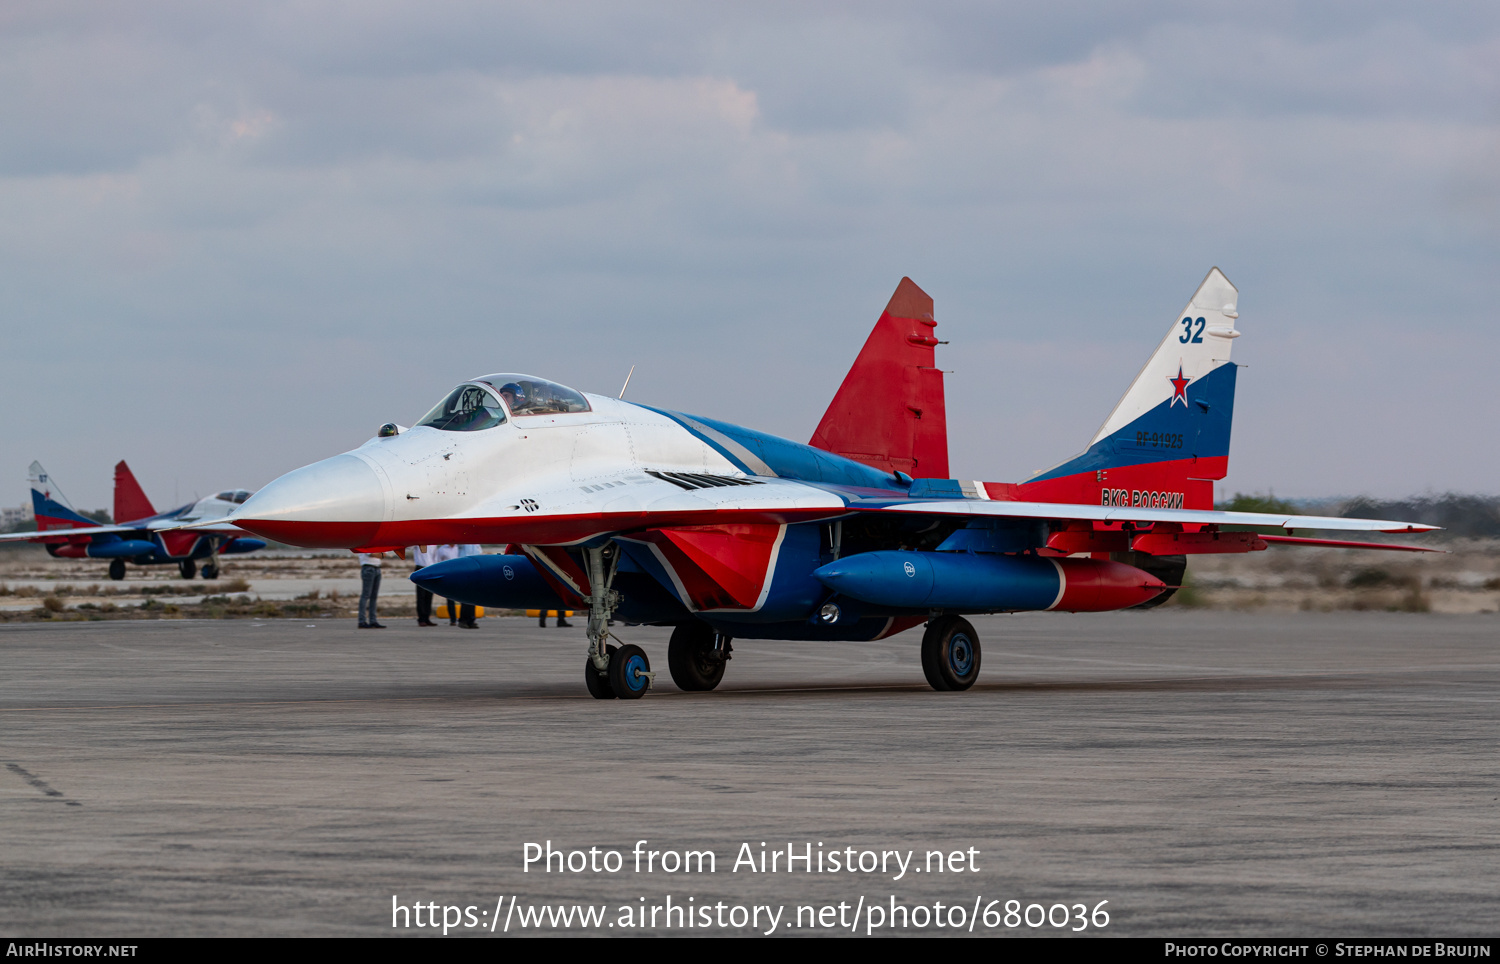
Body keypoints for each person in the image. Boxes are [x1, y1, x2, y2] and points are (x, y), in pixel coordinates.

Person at [454, 544, 483, 628]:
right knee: (465, 596)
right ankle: (463, 620)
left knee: (473, 596)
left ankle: (471, 620)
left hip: (474, 569)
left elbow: (479, 553)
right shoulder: (463, 543)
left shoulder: (476, 544)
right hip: (464, 568)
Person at [357, 551, 385, 628]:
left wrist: (380, 555)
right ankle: (362, 620)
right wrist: (380, 554)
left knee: (374, 596)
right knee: (366, 595)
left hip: (377, 567)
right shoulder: (365, 542)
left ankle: (373, 620)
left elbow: (383, 554)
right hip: (368, 567)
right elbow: (371, 554)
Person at [411, 545, 437, 626]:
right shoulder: (418, 542)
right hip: (420, 567)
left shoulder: (433, 544)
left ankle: (427, 617)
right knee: (421, 595)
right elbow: (409, 546)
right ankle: (421, 618)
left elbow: (435, 557)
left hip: (431, 567)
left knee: (429, 595)